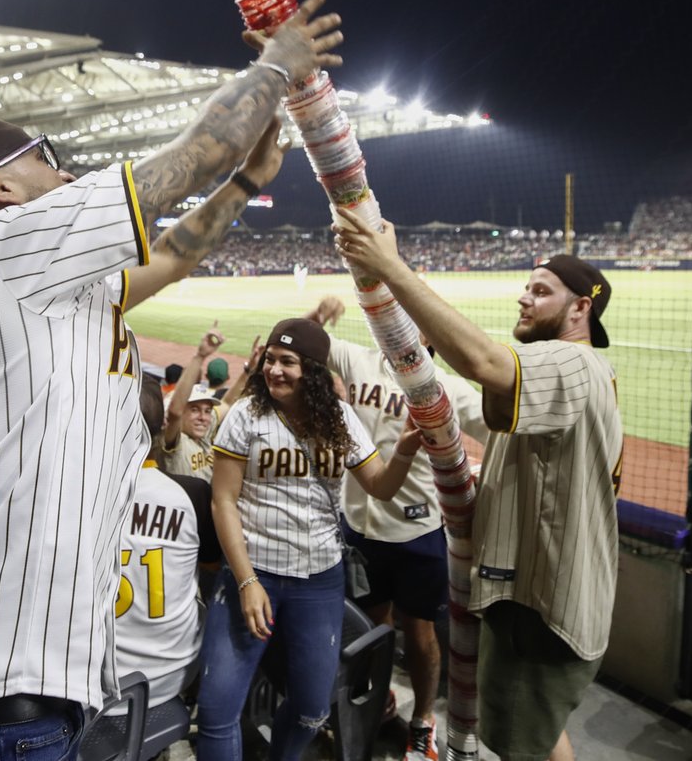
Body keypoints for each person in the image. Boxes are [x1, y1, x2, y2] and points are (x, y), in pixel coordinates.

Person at [0, 0, 344, 760]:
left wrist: (244, 184)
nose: (62, 169)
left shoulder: (27, 284)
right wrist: (279, 64)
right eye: (43, 156)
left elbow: (174, 255)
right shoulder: (8, 244)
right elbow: (196, 153)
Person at [336, 215, 624, 761]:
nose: (524, 298)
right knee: (532, 735)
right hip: (539, 596)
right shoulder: (579, 371)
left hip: (542, 606)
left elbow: (482, 361)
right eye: (527, 286)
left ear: (580, 309)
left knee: (523, 744)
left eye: (542, 291)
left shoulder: (571, 361)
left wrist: (388, 267)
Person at [197, 318, 421, 760]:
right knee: (216, 712)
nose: (274, 370)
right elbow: (223, 501)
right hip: (252, 572)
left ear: (314, 371)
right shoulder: (246, 414)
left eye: (288, 362)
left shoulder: (339, 418)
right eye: (270, 359)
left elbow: (380, 486)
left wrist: (406, 451)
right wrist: (246, 580)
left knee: (312, 710)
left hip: (318, 580)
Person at [306, 296, 489, 761]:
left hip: (416, 533)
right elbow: (301, 343)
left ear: (426, 333)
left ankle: (423, 720)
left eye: (408, 319)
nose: (394, 324)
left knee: (421, 635)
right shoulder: (359, 360)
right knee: (372, 627)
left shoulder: (446, 387)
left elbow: (499, 430)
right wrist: (317, 317)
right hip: (359, 528)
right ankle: (381, 693)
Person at [113, 376, 221, 711]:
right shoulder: (193, 493)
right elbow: (211, 571)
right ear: (161, 426)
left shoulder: (78, 495)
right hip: (175, 674)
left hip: (93, 685)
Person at [160, 325, 231, 482]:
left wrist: (249, 371)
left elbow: (228, 402)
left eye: (207, 411)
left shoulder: (203, 433)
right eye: (194, 409)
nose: (203, 417)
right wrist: (200, 356)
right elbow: (175, 412)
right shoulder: (176, 442)